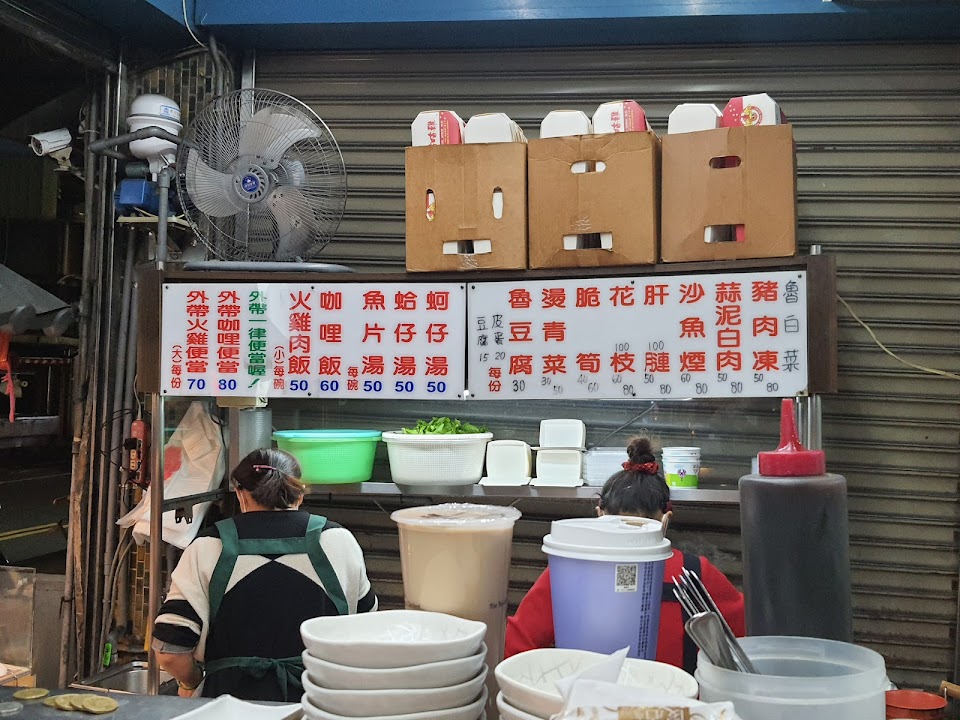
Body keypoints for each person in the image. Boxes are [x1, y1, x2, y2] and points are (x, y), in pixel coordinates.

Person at [504, 437, 744, 675]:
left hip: (590, 698)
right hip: (672, 697)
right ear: (665, 520)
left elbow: (516, 648)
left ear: (599, 514)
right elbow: (747, 643)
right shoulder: (693, 573)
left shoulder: (570, 571)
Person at [153, 448, 377, 701]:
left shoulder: (207, 546)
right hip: (321, 702)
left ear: (240, 494)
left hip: (228, 705)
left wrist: (191, 683)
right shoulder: (339, 540)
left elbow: (170, 650)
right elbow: (367, 630)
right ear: (299, 493)